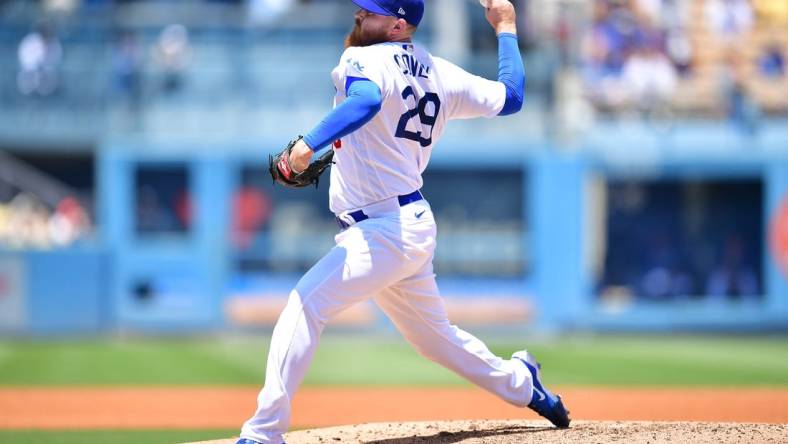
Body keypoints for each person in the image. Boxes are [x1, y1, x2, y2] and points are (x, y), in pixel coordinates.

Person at [237, 1, 570, 443]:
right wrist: (506, 27)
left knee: (305, 305)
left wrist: (306, 144)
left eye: (369, 12)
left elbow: (369, 99)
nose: (359, 16)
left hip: (384, 230)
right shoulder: (440, 70)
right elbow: (512, 97)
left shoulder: (363, 57)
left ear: (397, 24)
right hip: (405, 224)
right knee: (436, 341)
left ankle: (263, 433)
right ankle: (524, 382)